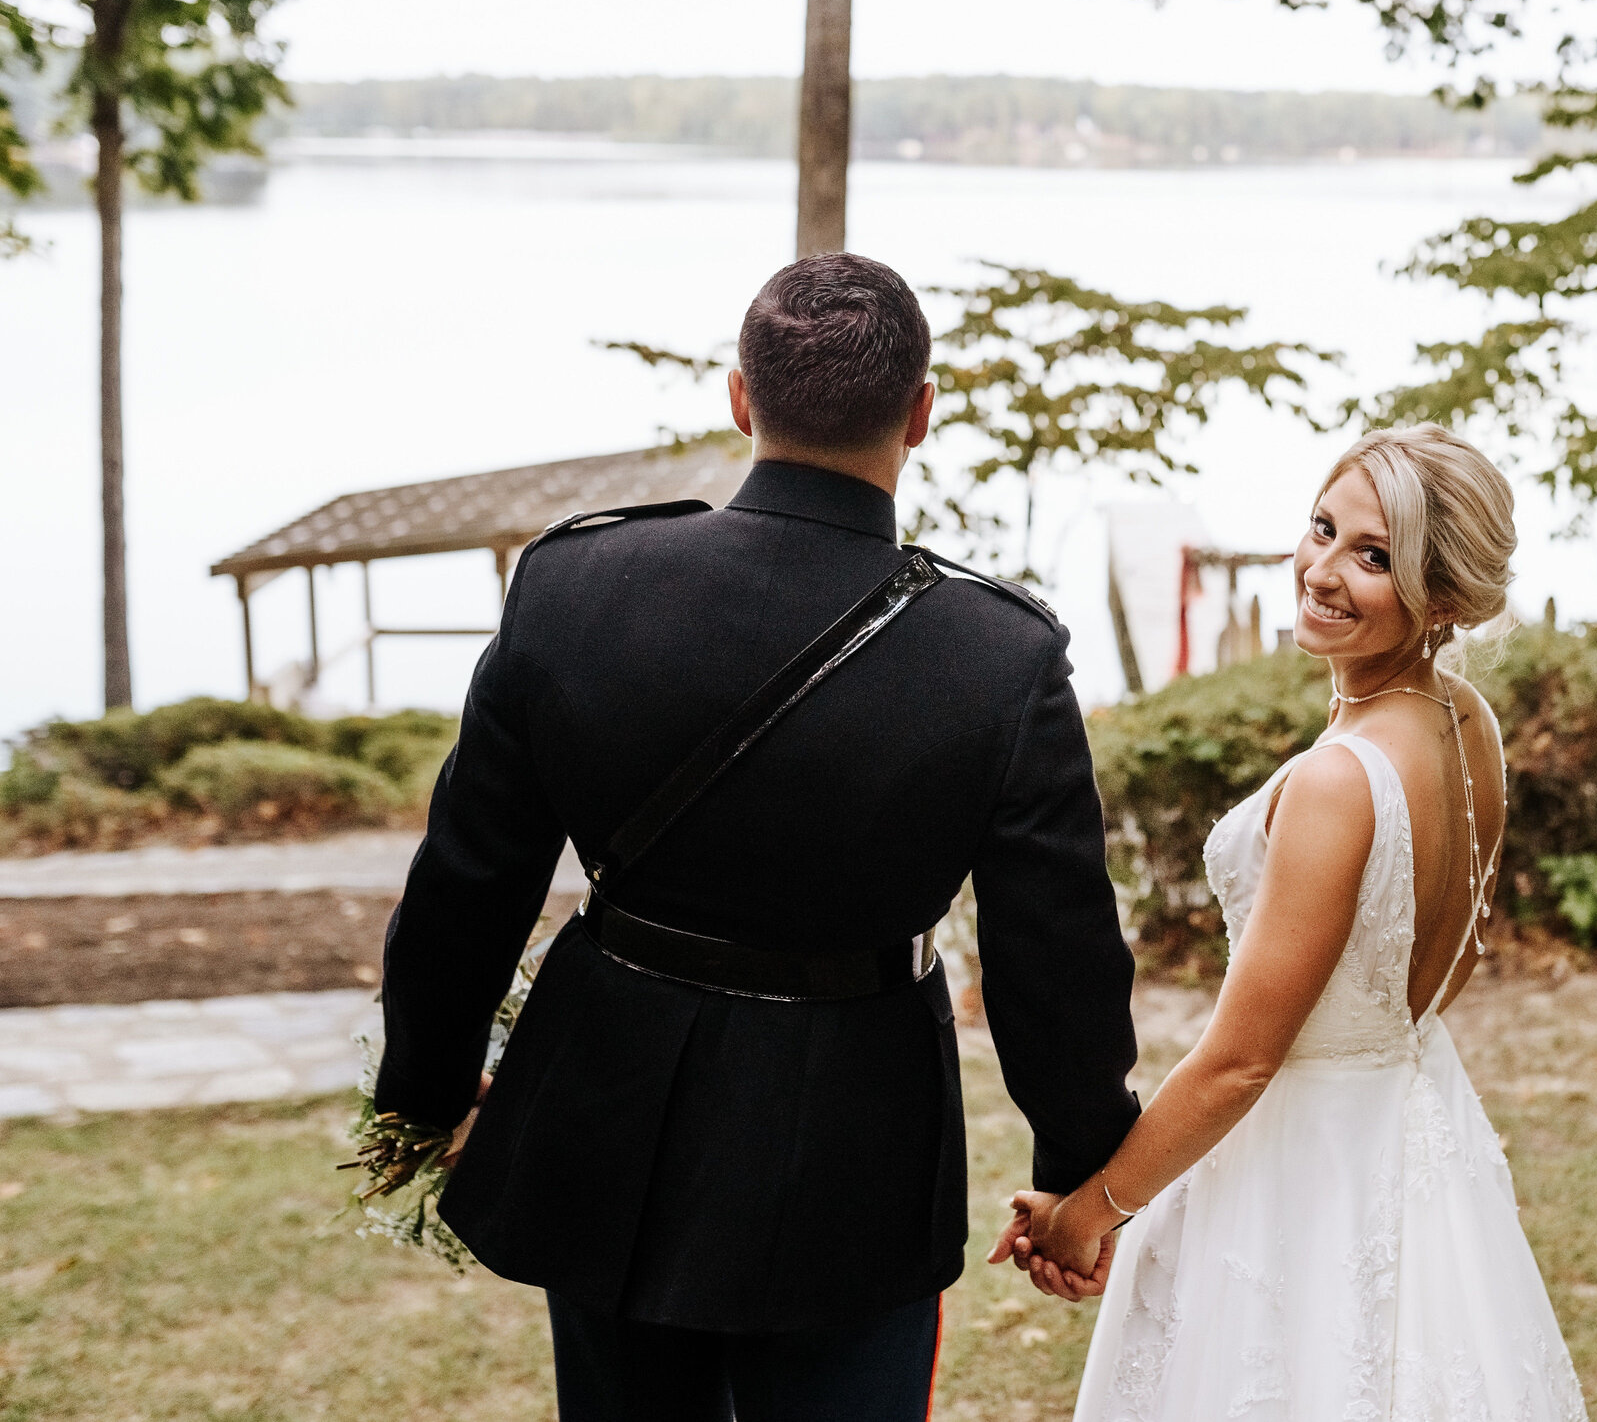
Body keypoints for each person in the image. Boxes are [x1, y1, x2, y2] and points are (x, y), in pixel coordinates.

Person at [373, 252, 1140, 1422]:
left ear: (742, 399)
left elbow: (468, 882)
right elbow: (1059, 959)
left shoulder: (575, 584)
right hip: (860, 1144)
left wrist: (424, 1092)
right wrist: (1081, 1170)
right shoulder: (1000, 658)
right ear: (921, 414)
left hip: (609, 1119)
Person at [998, 424, 1590, 1422]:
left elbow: (1240, 1060)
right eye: (1322, 528)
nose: (1322, 570)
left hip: (1300, 1163)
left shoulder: (1336, 780)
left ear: (1440, 597)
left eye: (1373, 557)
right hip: (1406, 1123)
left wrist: (1090, 1214)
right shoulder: (1465, 722)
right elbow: (1443, 959)